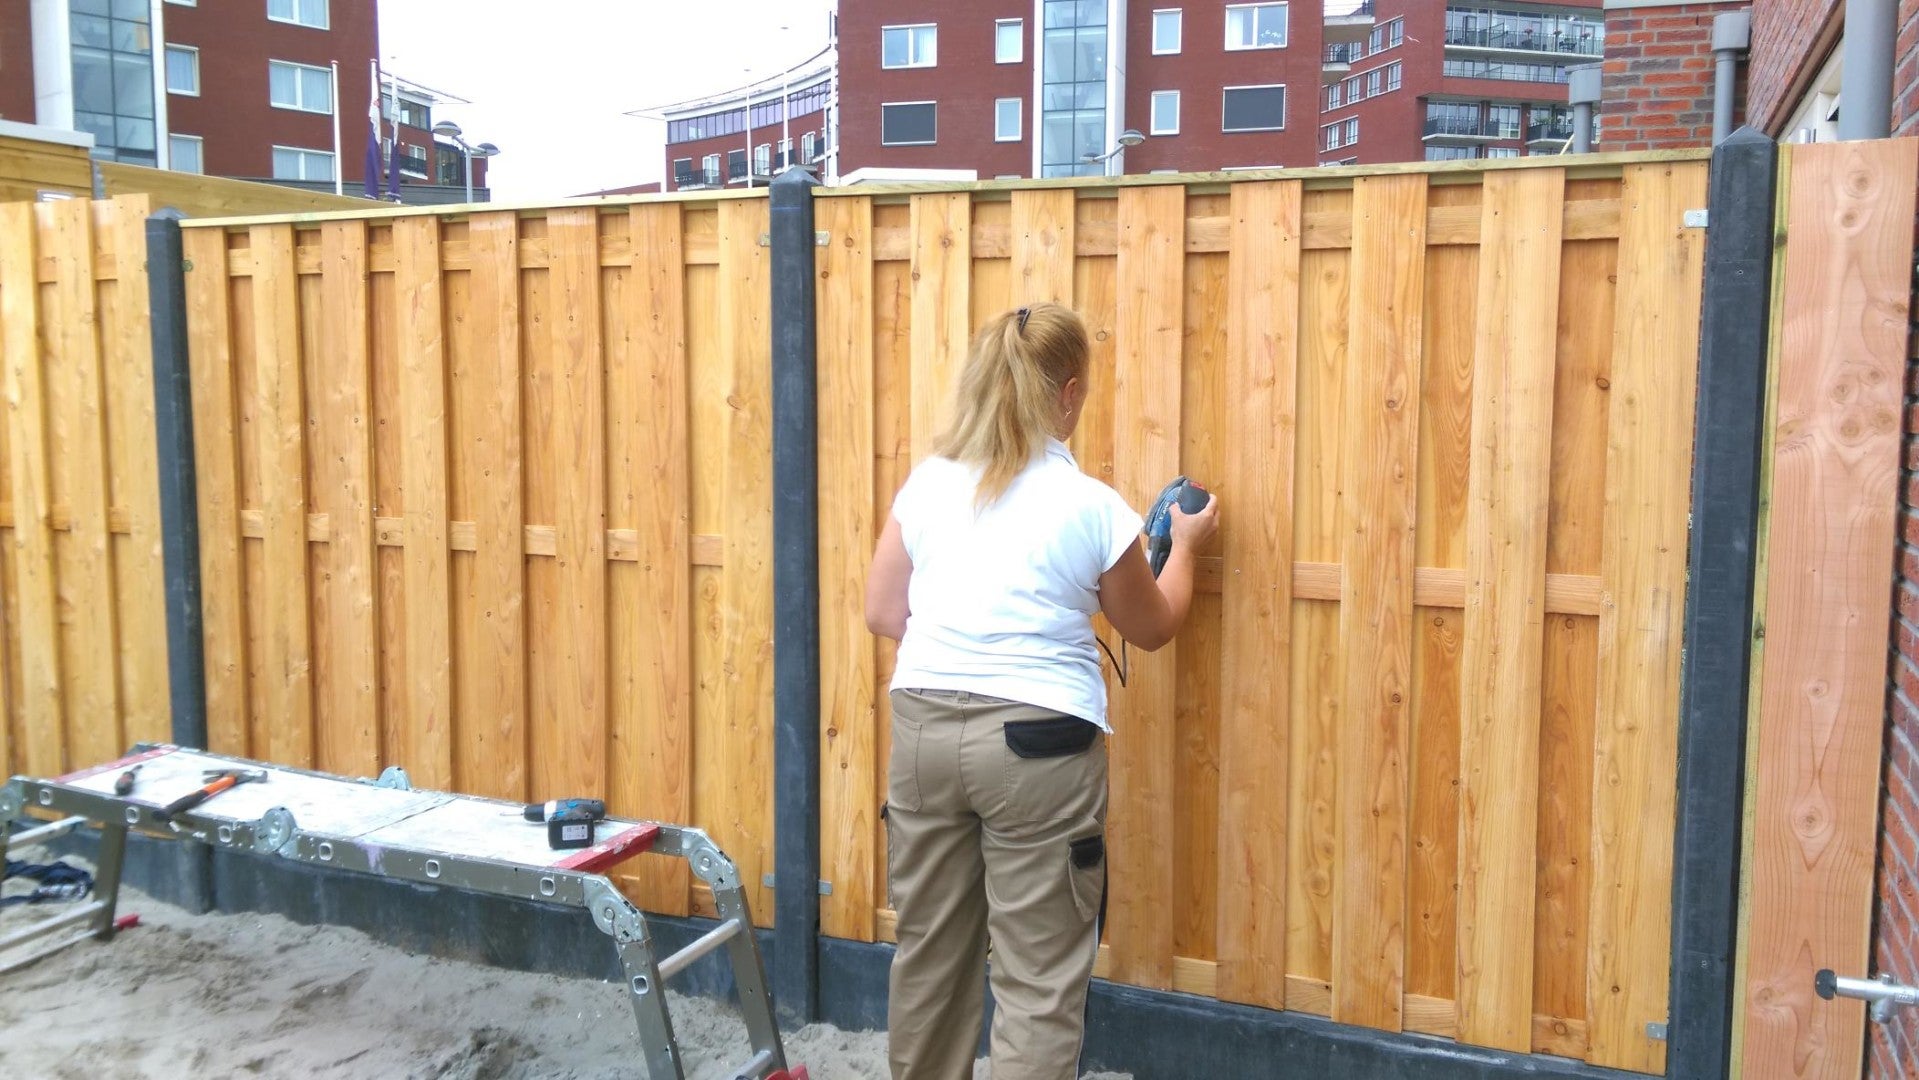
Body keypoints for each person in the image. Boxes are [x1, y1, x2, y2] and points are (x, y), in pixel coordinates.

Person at [864, 302, 1219, 1080]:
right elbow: (1150, 626)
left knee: (928, 954)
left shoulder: (928, 485)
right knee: (1036, 976)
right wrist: (1185, 547)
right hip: (1039, 746)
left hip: (923, 731)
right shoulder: (1087, 506)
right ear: (1067, 392)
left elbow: (884, 611)